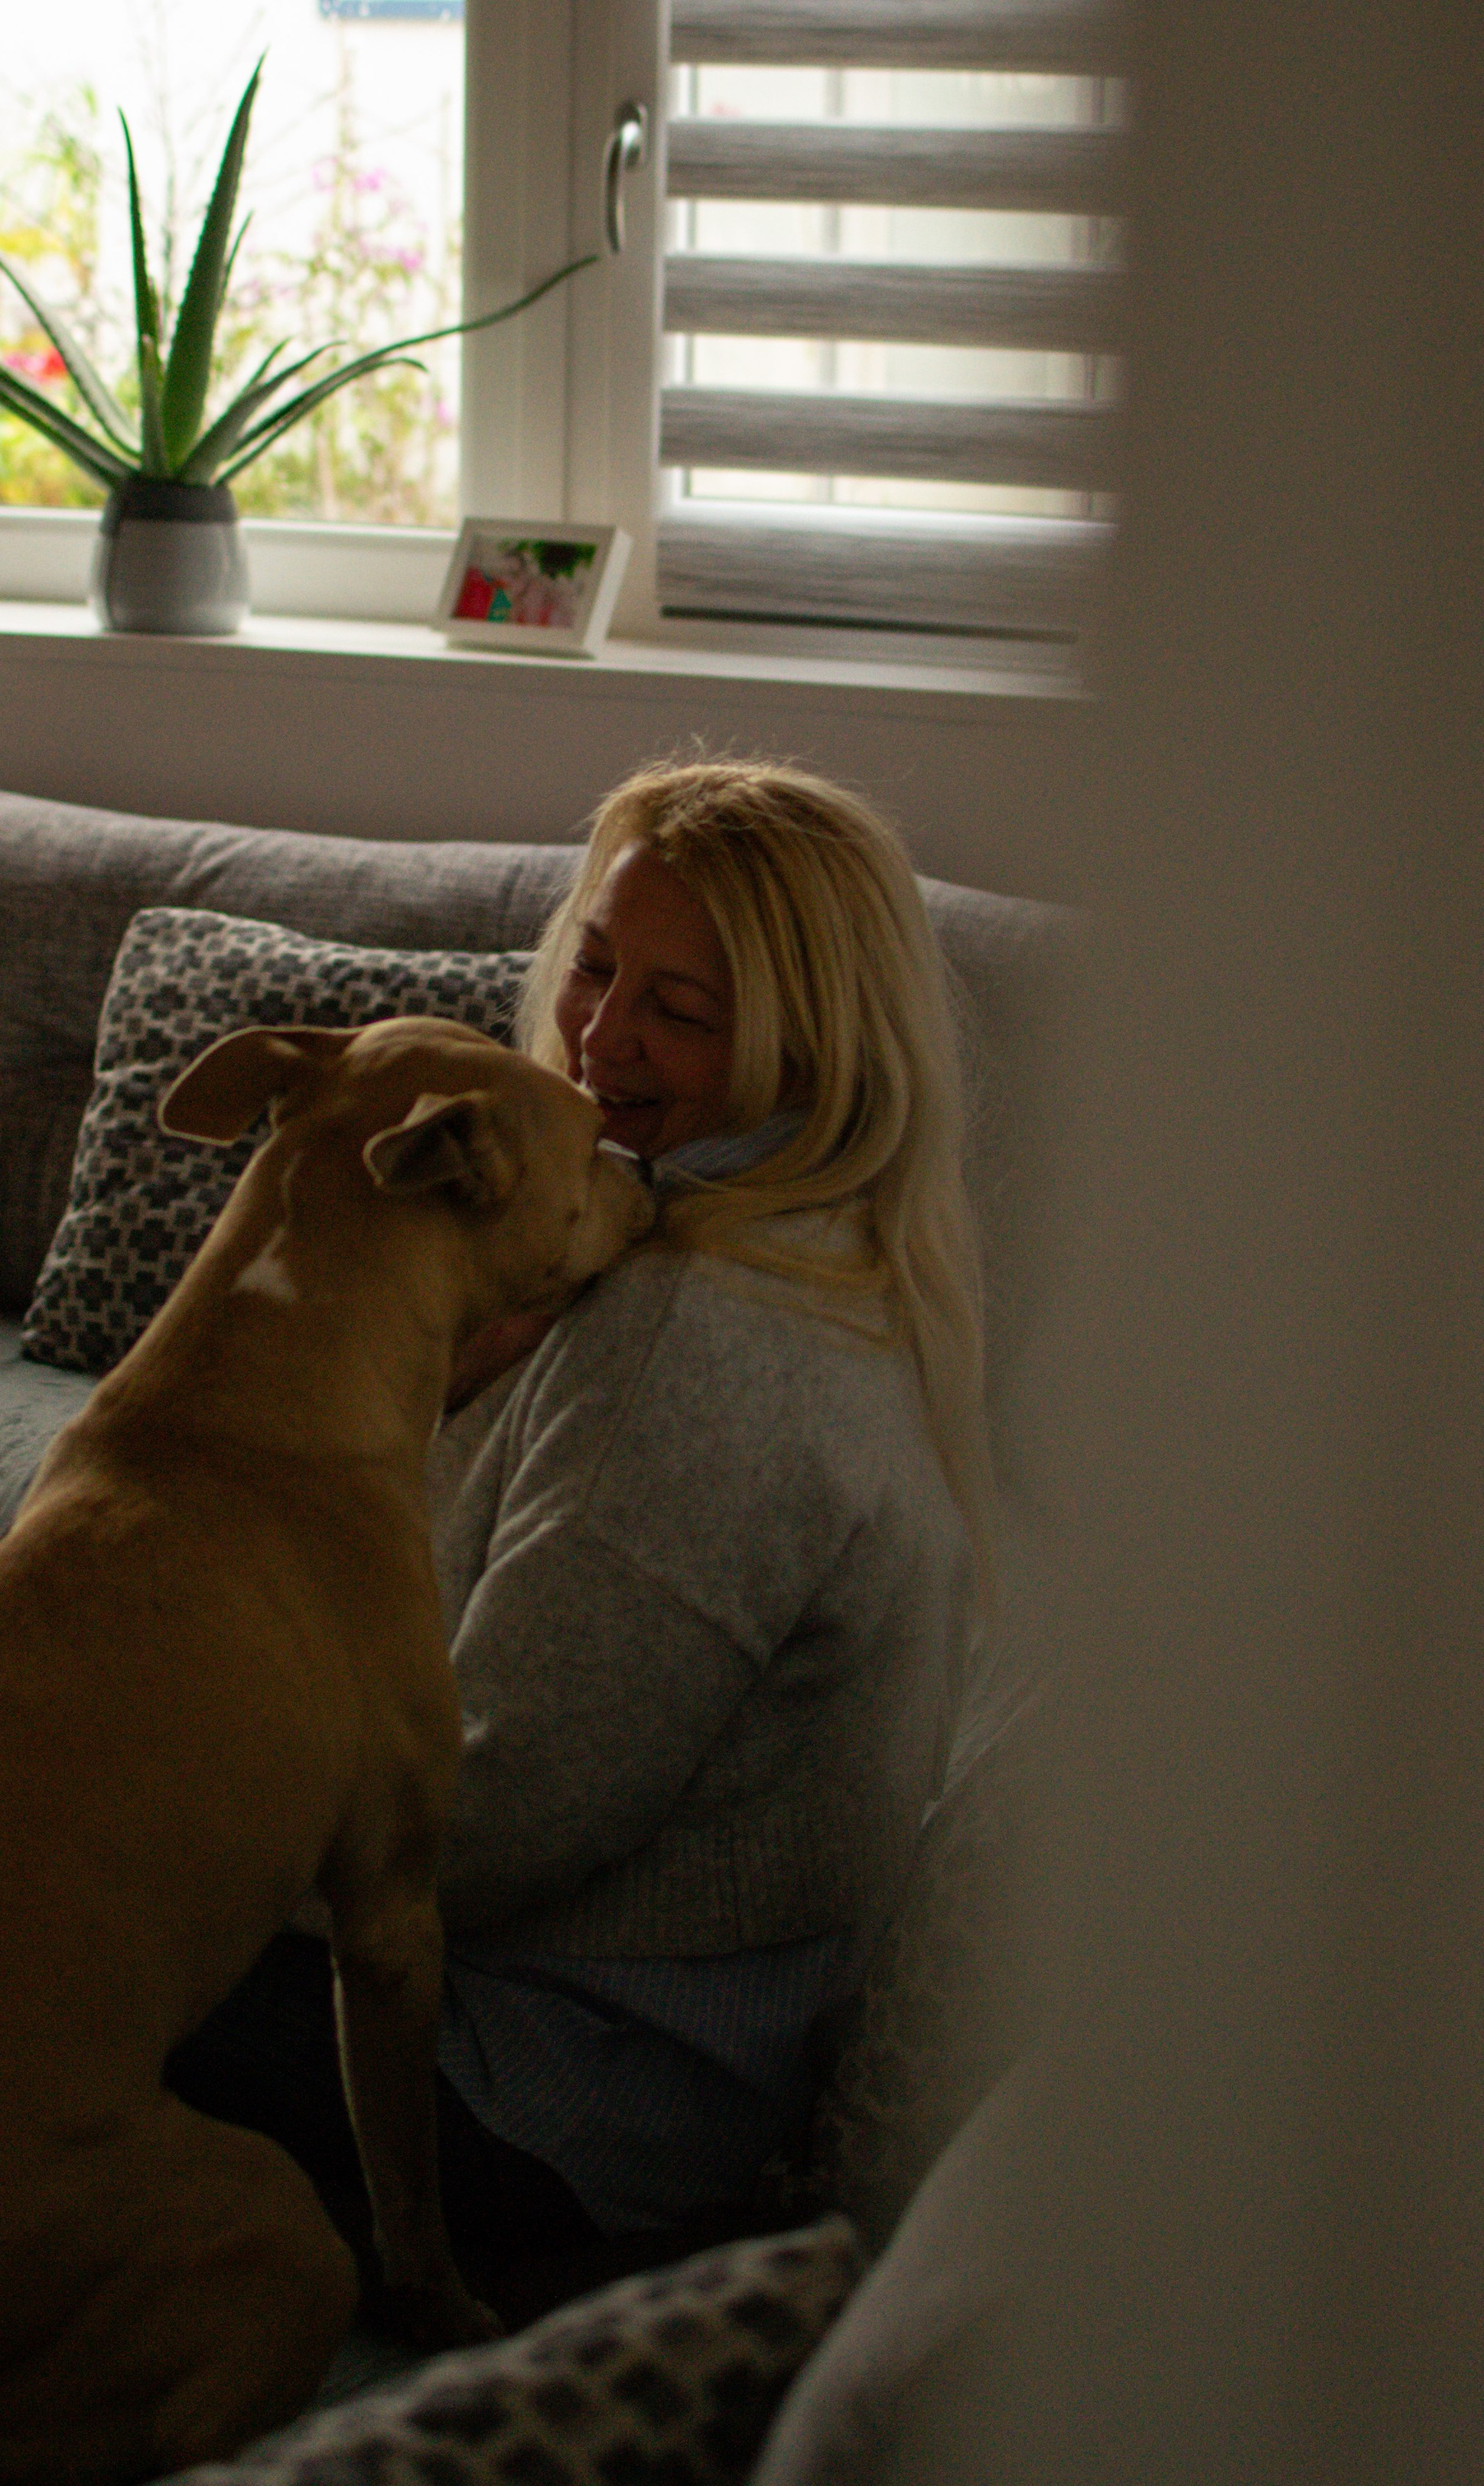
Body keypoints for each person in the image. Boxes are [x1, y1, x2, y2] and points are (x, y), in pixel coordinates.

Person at [169, 757, 988, 2312]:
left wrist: (146, 1829)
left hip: (554, 2105)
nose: (601, 1035)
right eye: (598, 966)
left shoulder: (698, 1345)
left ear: (816, 1042)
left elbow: (478, 1833)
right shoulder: (754, 1234)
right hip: (588, 2040)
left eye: (682, 1009)